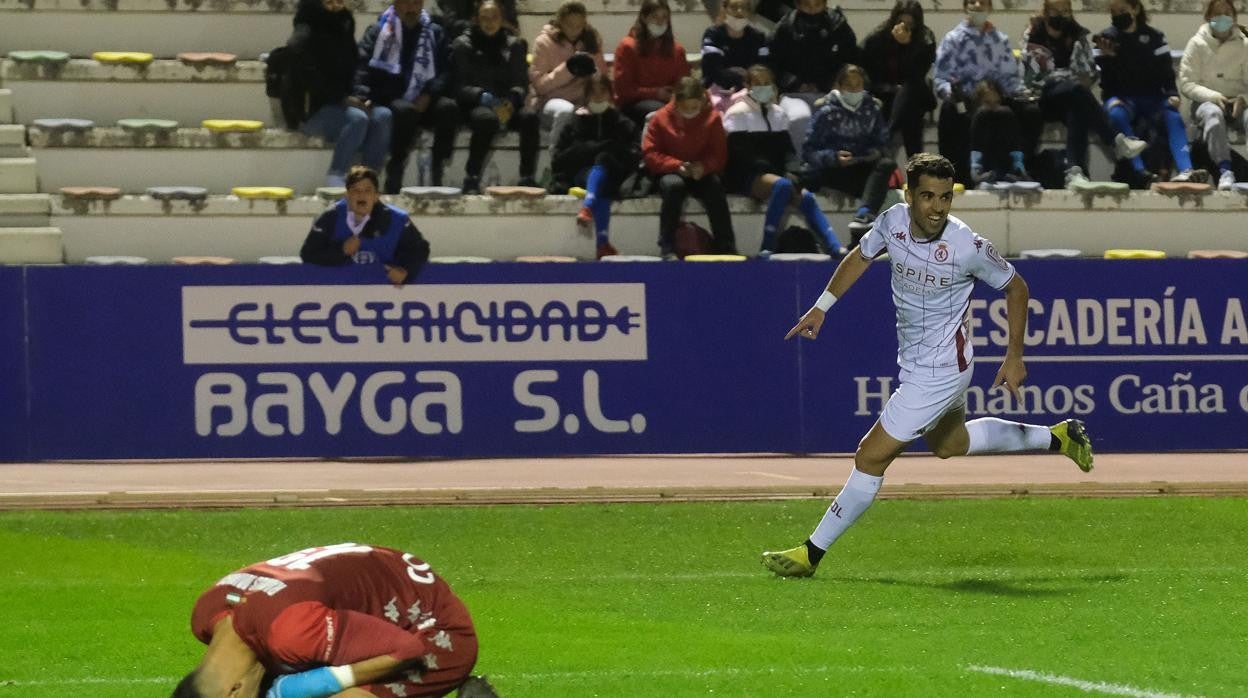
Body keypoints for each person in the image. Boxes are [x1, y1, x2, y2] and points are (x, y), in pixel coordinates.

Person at [760, 153, 1095, 579]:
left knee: (869, 456)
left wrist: (1014, 355)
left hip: (941, 370)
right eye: (927, 197)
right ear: (908, 196)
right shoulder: (891, 222)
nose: (937, 207)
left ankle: (811, 552)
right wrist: (822, 307)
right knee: (949, 444)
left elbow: (1017, 287)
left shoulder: (966, 245)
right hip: (922, 362)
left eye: (945, 198)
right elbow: (861, 257)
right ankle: (1058, 437)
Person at [171, 543, 485, 698]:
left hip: (430, 627)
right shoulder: (206, 614)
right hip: (377, 591)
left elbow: (407, 650)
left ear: (235, 691)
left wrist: (306, 685)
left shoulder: (289, 633)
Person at [1020, 0, 1148, 186]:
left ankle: (1075, 172)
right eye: (1055, 11)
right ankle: (1115, 141)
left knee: (1078, 108)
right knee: (1076, 90)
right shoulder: (1034, 34)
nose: (1061, 16)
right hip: (1042, 96)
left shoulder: (1077, 34)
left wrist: (1081, 78)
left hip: (1070, 94)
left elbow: (1089, 70)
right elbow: (1033, 78)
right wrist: (1065, 78)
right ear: (1046, 13)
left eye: (1065, 11)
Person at [724, 64, 845, 256]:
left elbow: (787, 150)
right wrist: (778, 173)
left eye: (767, 83)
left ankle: (833, 246)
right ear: (747, 85)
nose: (763, 87)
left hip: (774, 173)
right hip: (746, 174)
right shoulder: (737, 113)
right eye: (758, 83)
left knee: (805, 195)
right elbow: (741, 155)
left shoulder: (778, 113)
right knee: (782, 186)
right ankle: (767, 246)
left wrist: (793, 170)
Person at [1094, 0, 1208, 187]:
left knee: (1172, 115)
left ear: (1135, 9)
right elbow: (1107, 83)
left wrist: (1173, 93)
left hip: (1152, 97)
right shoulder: (1106, 39)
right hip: (1121, 98)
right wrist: (1109, 59)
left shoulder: (1154, 37)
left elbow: (1166, 73)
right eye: (1114, 12)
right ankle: (1140, 171)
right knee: (1116, 114)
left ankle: (1186, 170)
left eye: (1123, 10)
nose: (1118, 15)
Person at [933, 0, 1042, 185]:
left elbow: (1011, 80)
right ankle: (956, 175)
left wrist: (1024, 95)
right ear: (965, 6)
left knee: (1032, 111)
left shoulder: (1000, 40)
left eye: (982, 2)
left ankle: (1019, 168)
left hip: (998, 98)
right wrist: (951, 92)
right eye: (972, 2)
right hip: (967, 101)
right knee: (949, 110)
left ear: (989, 7)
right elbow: (941, 78)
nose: (977, 5)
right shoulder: (953, 39)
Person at [355, 0, 459, 193]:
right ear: (395, 4)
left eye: (416, 2)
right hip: (393, 97)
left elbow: (447, 70)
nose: (411, 8)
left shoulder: (435, 32)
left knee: (448, 108)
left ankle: (437, 166)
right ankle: (396, 167)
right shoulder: (379, 31)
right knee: (405, 111)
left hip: (426, 98)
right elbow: (362, 66)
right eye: (406, 2)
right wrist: (363, 95)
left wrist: (429, 93)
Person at [288, 0, 390, 187]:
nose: (336, 4)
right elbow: (306, 76)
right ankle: (336, 176)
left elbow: (355, 64)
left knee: (382, 116)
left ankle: (367, 181)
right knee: (357, 119)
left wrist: (361, 95)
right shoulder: (306, 25)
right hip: (316, 107)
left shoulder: (345, 21)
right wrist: (342, 99)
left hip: (346, 101)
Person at [449, 0, 540, 193]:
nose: (490, 22)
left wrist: (513, 99)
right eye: (485, 18)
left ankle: (527, 176)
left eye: (495, 17)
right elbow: (458, 86)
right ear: (476, 20)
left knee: (530, 117)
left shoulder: (514, 45)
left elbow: (520, 82)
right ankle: (472, 177)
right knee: (486, 120)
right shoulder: (463, 45)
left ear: (502, 20)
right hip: (476, 103)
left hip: (506, 103)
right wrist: (481, 96)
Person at [799, 64, 895, 246]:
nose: (854, 89)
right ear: (839, 87)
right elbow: (808, 151)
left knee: (887, 164)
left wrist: (872, 154)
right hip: (834, 171)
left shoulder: (872, 110)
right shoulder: (825, 112)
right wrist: (833, 157)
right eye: (849, 85)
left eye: (858, 85)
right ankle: (859, 238)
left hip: (861, 167)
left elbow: (882, 143)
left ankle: (864, 214)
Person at [643, 76, 737, 258]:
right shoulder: (660, 118)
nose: (691, 112)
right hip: (670, 171)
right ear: (677, 102)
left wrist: (704, 167)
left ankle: (726, 245)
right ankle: (667, 245)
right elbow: (651, 154)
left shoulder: (712, 119)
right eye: (687, 108)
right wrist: (676, 165)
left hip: (700, 171)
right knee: (673, 187)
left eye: (695, 107)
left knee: (715, 186)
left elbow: (719, 154)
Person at [551, 75, 639, 259]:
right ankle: (602, 243)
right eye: (593, 92)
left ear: (610, 93)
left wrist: (608, 151)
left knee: (605, 159)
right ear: (586, 95)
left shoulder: (622, 122)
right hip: (583, 174)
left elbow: (634, 155)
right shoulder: (573, 121)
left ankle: (588, 205)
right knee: (601, 173)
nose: (598, 97)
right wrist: (593, 148)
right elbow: (559, 159)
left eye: (603, 92)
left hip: (616, 173)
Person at [300, 166, 431, 287]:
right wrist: (341, 250)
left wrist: (405, 271)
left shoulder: (398, 219)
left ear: (376, 196)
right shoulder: (330, 216)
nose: (361, 195)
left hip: (383, 294)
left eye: (368, 190)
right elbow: (308, 254)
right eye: (356, 190)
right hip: (337, 290)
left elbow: (420, 249)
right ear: (347, 195)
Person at [768, 0, 860, 151]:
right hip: (794, 93)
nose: (812, 11)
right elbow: (773, 64)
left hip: (829, 91)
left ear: (825, 4)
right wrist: (795, 83)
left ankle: (832, 166)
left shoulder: (838, 26)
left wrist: (833, 83)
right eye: (807, 5)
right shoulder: (785, 27)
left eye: (817, 5)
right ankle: (802, 165)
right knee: (799, 118)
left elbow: (850, 60)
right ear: (798, 5)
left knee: (837, 119)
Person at [1179, 0, 1248, 190]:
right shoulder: (1197, 44)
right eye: (1218, 14)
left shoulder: (1244, 45)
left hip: (1238, 103)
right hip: (1206, 102)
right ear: (1209, 17)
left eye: (1227, 13)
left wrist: (1243, 99)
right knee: (1213, 116)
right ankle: (1225, 171)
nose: (1223, 17)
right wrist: (1213, 97)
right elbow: (1187, 83)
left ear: (1234, 17)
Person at [528, 1, 608, 161]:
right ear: (560, 22)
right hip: (549, 103)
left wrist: (592, 72)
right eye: (569, 25)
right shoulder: (544, 42)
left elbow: (602, 82)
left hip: (582, 101)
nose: (574, 30)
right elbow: (540, 87)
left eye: (579, 26)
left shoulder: (590, 41)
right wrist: (568, 69)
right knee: (565, 111)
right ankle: (557, 161)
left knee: (605, 113)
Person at [859, 0, 937, 158]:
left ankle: (889, 135)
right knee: (905, 109)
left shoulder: (925, 39)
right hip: (883, 91)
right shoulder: (879, 36)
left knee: (909, 100)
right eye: (901, 21)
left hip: (913, 93)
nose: (904, 26)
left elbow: (916, 75)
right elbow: (864, 65)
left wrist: (906, 47)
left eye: (910, 23)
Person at [612, 0, 691, 130]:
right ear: (643, 18)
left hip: (670, 101)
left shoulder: (677, 50)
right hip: (634, 103)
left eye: (664, 17)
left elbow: (683, 83)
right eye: (655, 17)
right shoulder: (627, 46)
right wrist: (656, 93)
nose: (660, 22)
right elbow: (623, 89)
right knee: (660, 113)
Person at [700, 0, 769, 111]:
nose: (739, 11)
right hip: (719, 89)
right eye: (734, 7)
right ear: (725, 9)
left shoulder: (758, 37)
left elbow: (763, 70)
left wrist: (736, 78)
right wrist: (743, 76)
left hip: (751, 89)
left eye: (744, 7)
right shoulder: (713, 34)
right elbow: (712, 70)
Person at [968, 78, 1032, 185]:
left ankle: (1017, 169)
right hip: (983, 163)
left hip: (1003, 162)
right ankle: (977, 170)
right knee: (982, 113)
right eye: (987, 102)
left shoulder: (1005, 116)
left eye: (996, 102)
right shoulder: (978, 117)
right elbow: (975, 145)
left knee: (1006, 113)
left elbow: (1013, 141)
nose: (993, 107)